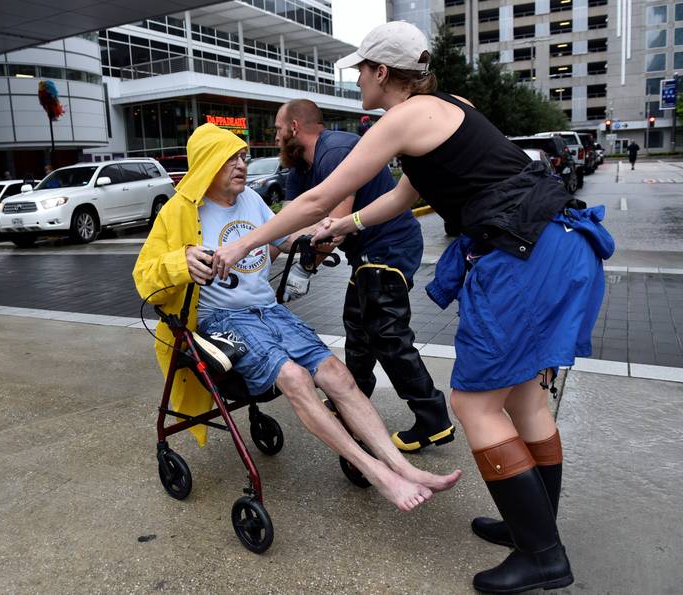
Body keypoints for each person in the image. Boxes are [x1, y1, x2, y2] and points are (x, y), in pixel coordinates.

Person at [211, 21, 613, 594]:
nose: (356, 80)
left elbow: (318, 194)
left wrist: (242, 243)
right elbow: (408, 193)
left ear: (381, 73)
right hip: (555, 241)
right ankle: (532, 526)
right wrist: (345, 225)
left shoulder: (400, 118)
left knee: (474, 404)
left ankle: (544, 555)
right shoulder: (448, 106)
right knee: (522, 393)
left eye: (360, 71)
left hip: (523, 254)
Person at [133, 123, 461, 513]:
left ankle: (402, 466)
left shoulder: (252, 200)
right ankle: (379, 474)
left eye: (242, 156)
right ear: (207, 164)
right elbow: (144, 275)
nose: (242, 163)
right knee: (293, 376)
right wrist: (180, 260)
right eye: (230, 158)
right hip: (221, 319)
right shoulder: (179, 213)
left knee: (338, 375)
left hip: (269, 310)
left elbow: (277, 241)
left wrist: (308, 237)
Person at [276, 99, 454, 453]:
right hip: (366, 254)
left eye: (279, 130)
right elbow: (289, 224)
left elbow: (331, 228)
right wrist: (252, 250)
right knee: (357, 329)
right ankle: (352, 399)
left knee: (387, 334)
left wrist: (303, 267)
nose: (276, 137)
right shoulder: (299, 172)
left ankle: (433, 419)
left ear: (295, 128)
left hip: (391, 245)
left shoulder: (337, 150)